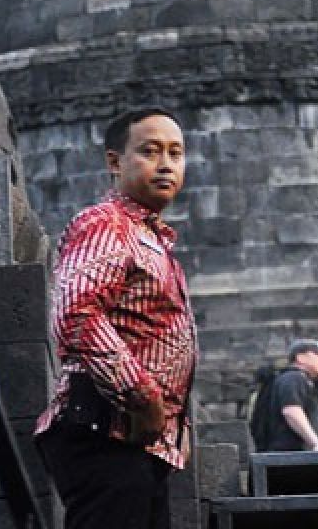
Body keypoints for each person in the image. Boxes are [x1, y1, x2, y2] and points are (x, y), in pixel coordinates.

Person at [34, 107, 198, 529]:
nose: (166, 165)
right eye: (150, 151)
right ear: (114, 161)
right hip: (105, 432)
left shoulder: (152, 239)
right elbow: (76, 314)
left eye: (175, 154)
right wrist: (142, 396)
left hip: (139, 442)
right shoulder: (105, 224)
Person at [258, 339, 318, 451]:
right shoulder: (294, 378)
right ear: (300, 358)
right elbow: (291, 411)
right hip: (291, 458)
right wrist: (316, 444)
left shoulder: (294, 379)